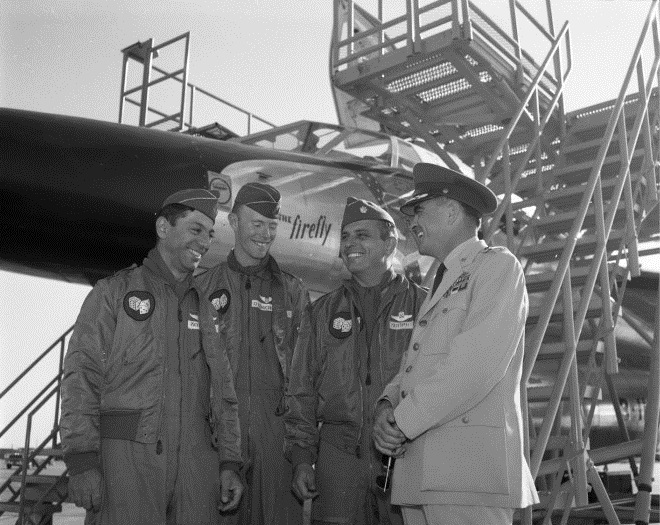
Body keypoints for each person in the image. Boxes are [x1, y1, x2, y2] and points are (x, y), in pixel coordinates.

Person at [60, 188, 244, 524]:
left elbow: (224, 392)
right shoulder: (114, 293)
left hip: (197, 463)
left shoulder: (207, 308)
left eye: (210, 234)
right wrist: (82, 460)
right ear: (163, 228)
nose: (205, 242)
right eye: (196, 230)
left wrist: (230, 462)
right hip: (127, 464)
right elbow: (81, 377)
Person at [372, 163, 539, 525]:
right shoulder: (443, 279)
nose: (411, 221)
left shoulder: (496, 267)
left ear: (450, 211)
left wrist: (402, 421)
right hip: (424, 474)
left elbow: (474, 365)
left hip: (467, 475)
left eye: (419, 210)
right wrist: (387, 404)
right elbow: (415, 364)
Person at [285, 197, 427, 525]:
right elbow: (300, 391)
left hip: (404, 451)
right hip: (339, 459)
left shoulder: (425, 306)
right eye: (346, 237)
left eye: (361, 236)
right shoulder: (321, 313)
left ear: (389, 243)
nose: (350, 244)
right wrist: (302, 458)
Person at [196, 182, 309, 525]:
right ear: (233, 221)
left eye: (272, 226)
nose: (265, 234)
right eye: (256, 224)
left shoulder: (293, 292)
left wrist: (302, 449)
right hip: (216, 441)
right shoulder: (203, 288)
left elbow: (306, 375)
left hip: (277, 441)